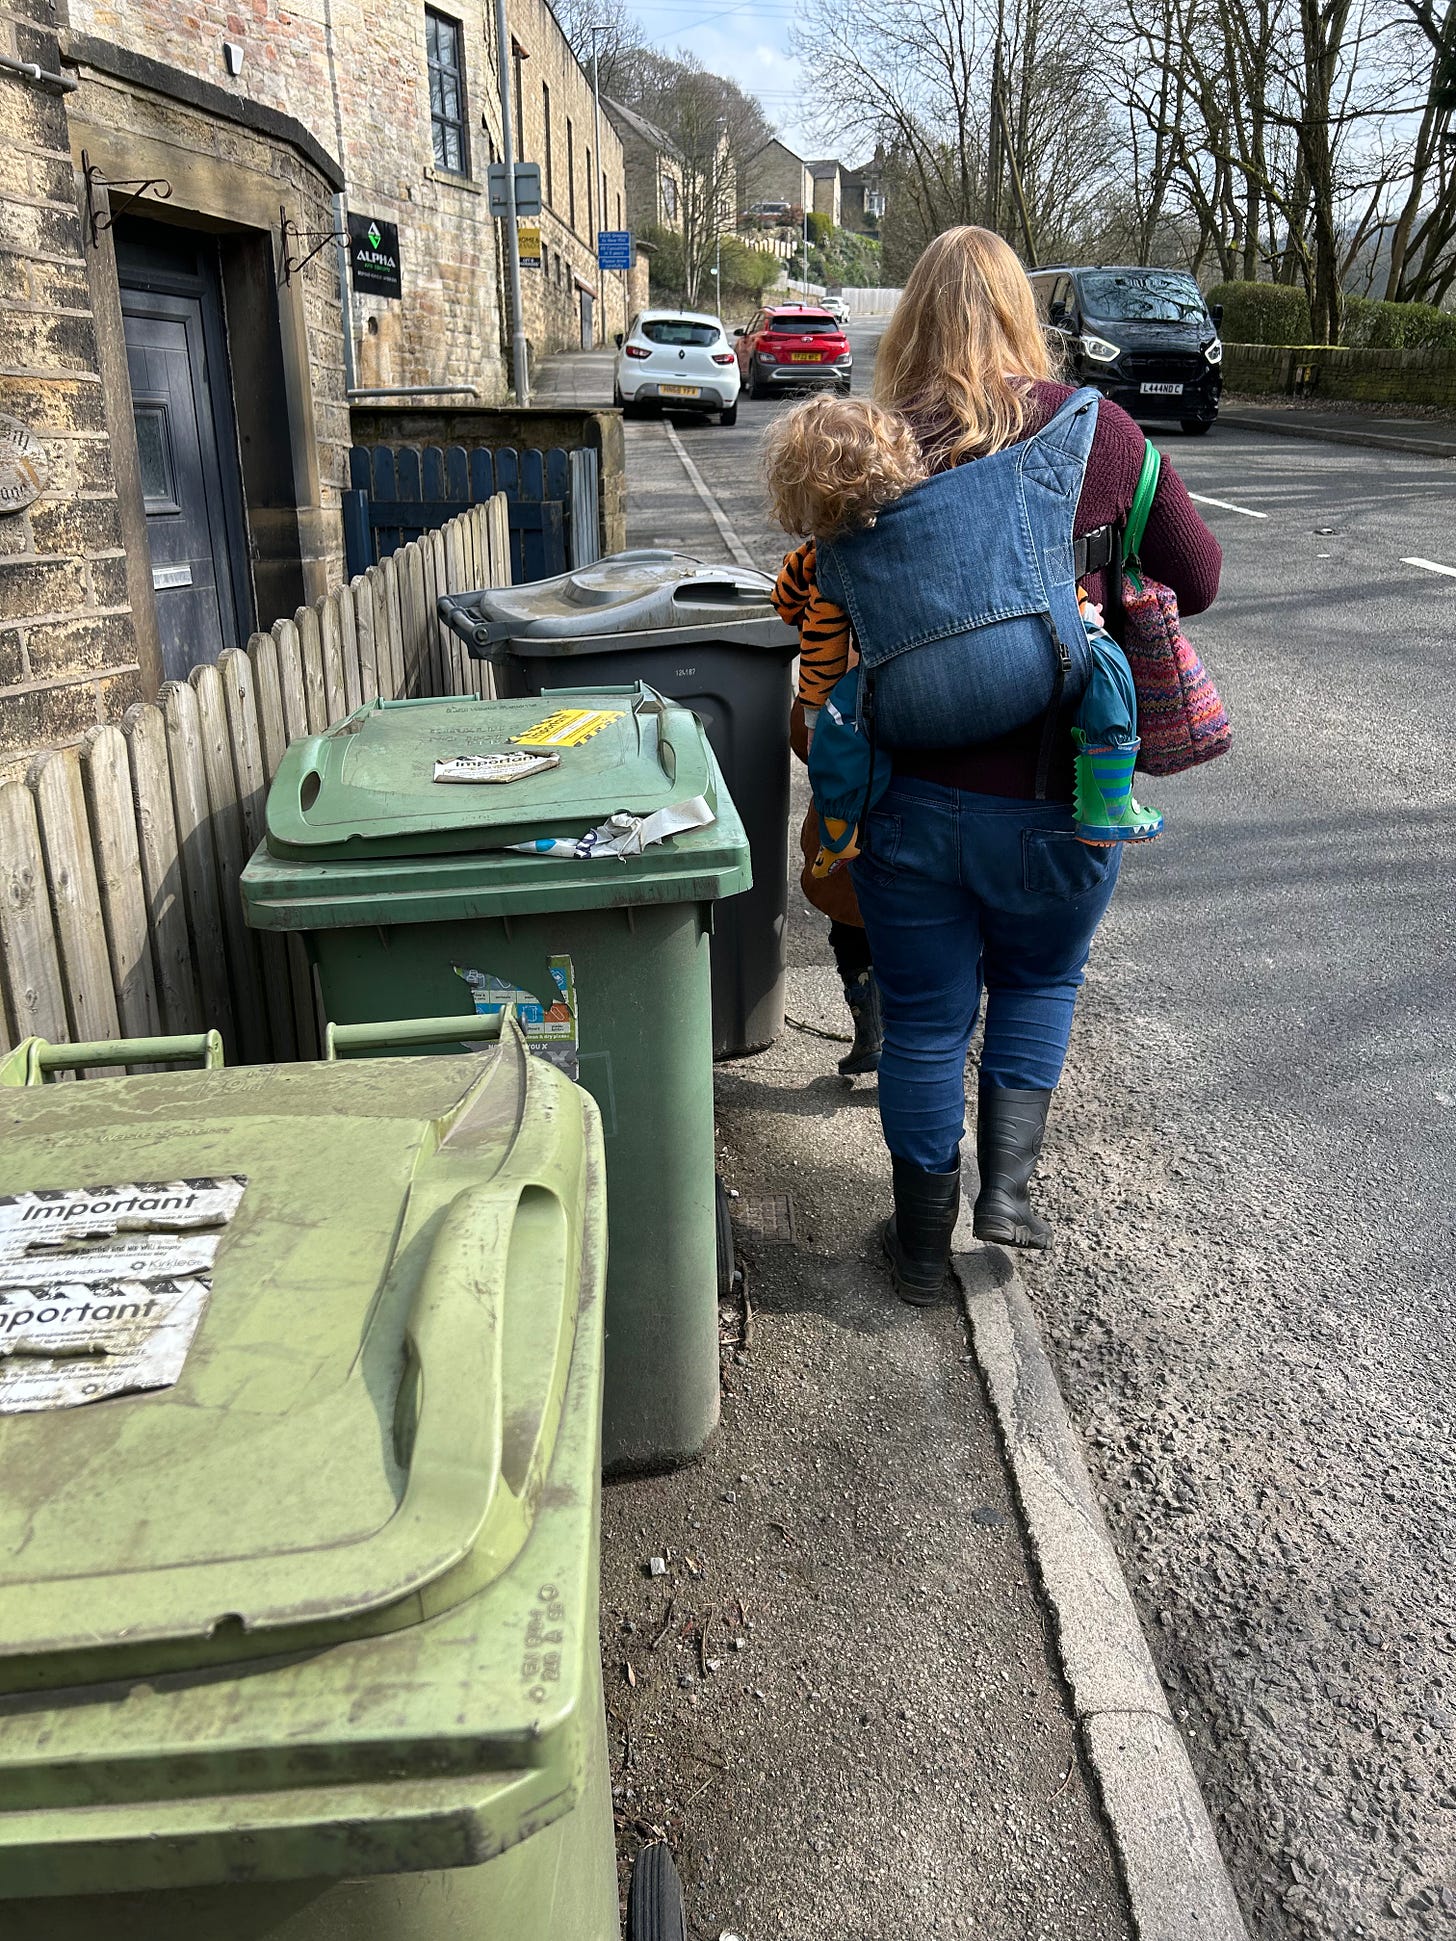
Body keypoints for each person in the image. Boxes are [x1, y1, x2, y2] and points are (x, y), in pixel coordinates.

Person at [766, 226, 1222, 1304]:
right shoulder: (1099, 434)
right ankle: (1007, 1195)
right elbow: (1195, 578)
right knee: (1039, 983)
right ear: (1027, 316)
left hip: (908, 805)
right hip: (1063, 801)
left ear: (911, 319)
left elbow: (819, 608)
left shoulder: (862, 446)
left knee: (924, 1025)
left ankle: (919, 1252)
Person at [767, 394, 1165, 853]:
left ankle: (841, 825)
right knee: (1105, 661)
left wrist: (818, 719)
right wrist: (1082, 614)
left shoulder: (825, 558)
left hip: (905, 709)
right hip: (1031, 681)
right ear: (902, 454)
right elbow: (1034, 571)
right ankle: (1109, 800)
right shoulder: (959, 511)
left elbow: (818, 640)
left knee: (843, 721)